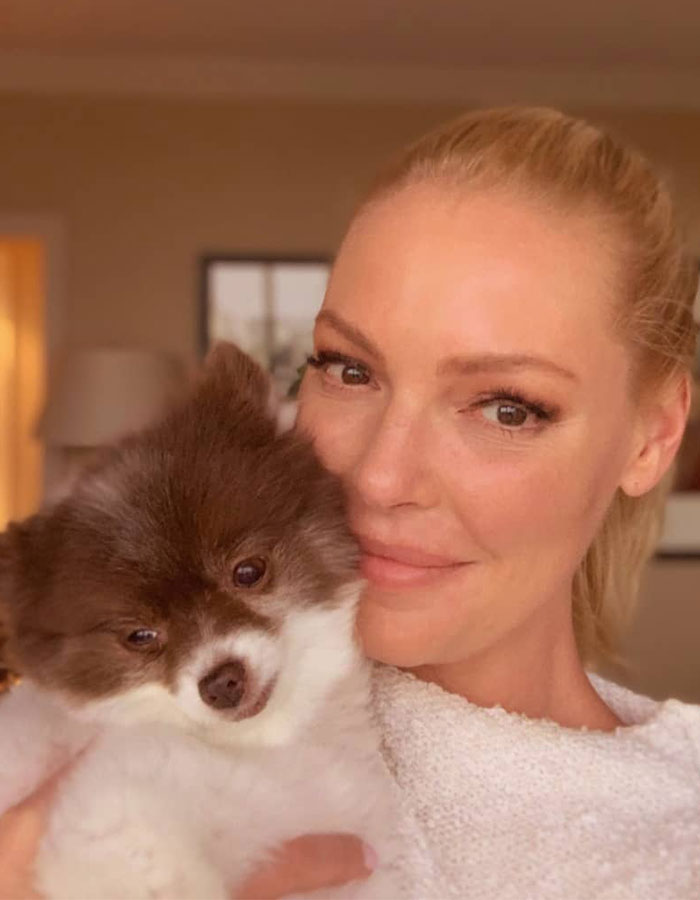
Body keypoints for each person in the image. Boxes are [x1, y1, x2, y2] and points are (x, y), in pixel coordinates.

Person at [1, 106, 699, 898]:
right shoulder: (107, 728)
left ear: (653, 437)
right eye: (348, 370)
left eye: (507, 407)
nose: (380, 477)